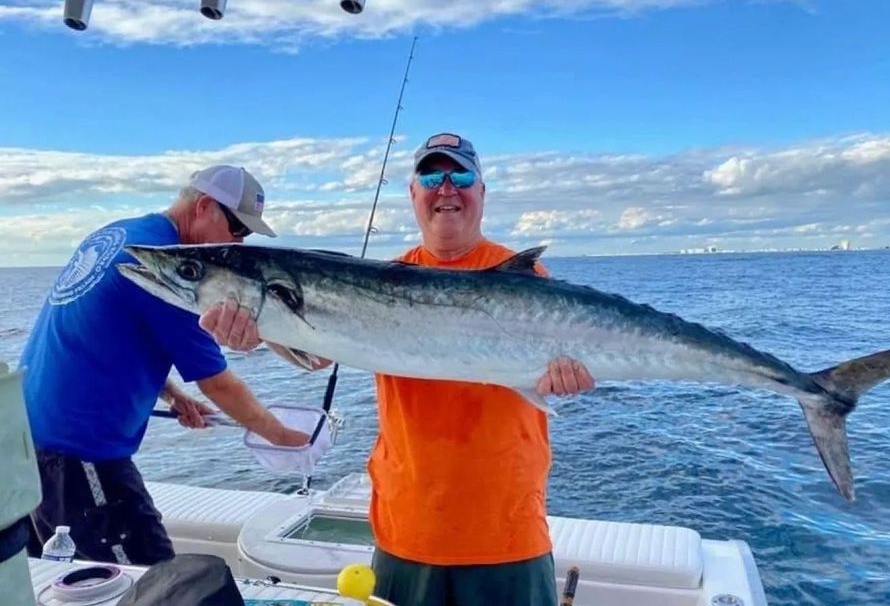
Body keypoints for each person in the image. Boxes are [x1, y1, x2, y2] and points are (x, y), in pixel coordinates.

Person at [199, 134, 595, 605]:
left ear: (482, 193)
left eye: (461, 176)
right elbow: (314, 351)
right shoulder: (378, 280)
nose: (446, 188)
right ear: (413, 194)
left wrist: (568, 378)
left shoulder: (526, 282)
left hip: (508, 533)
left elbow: (574, 356)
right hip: (406, 532)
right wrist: (261, 329)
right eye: (432, 176)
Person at [20, 165, 309, 567]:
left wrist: (172, 393)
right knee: (151, 579)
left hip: (26, 442)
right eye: (238, 229)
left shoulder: (119, 235)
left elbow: (107, 334)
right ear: (206, 206)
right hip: (78, 454)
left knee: (67, 578)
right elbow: (218, 383)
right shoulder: (175, 270)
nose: (238, 244)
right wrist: (282, 436)